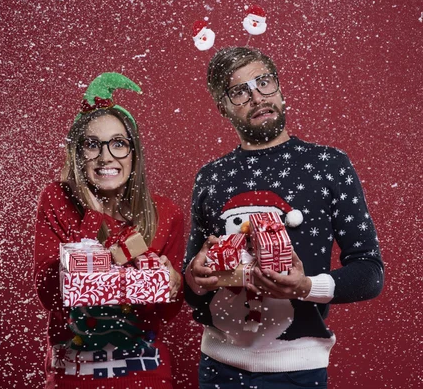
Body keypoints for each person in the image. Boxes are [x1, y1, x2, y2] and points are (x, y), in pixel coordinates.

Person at [183, 47, 384, 389]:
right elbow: (192, 285)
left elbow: (369, 272)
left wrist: (306, 287)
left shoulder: (328, 164)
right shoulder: (210, 176)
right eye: (239, 91)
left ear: (279, 88)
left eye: (264, 82)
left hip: (297, 371)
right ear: (224, 108)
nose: (256, 97)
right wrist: (195, 276)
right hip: (217, 368)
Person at [33, 72, 184, 389]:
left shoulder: (165, 214)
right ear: (78, 154)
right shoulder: (58, 200)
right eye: (92, 145)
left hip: (145, 376)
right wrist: (96, 217)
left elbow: (168, 310)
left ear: (134, 153)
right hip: (71, 378)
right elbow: (50, 294)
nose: (106, 156)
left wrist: (173, 282)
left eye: (118, 144)